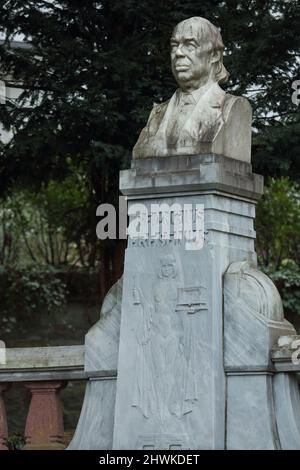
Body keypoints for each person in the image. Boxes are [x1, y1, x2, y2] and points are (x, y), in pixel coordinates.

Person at [133, 17, 251, 162]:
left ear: (214, 55)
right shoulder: (157, 114)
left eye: (190, 45)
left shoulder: (233, 108)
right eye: (174, 46)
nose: (178, 53)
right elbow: (140, 152)